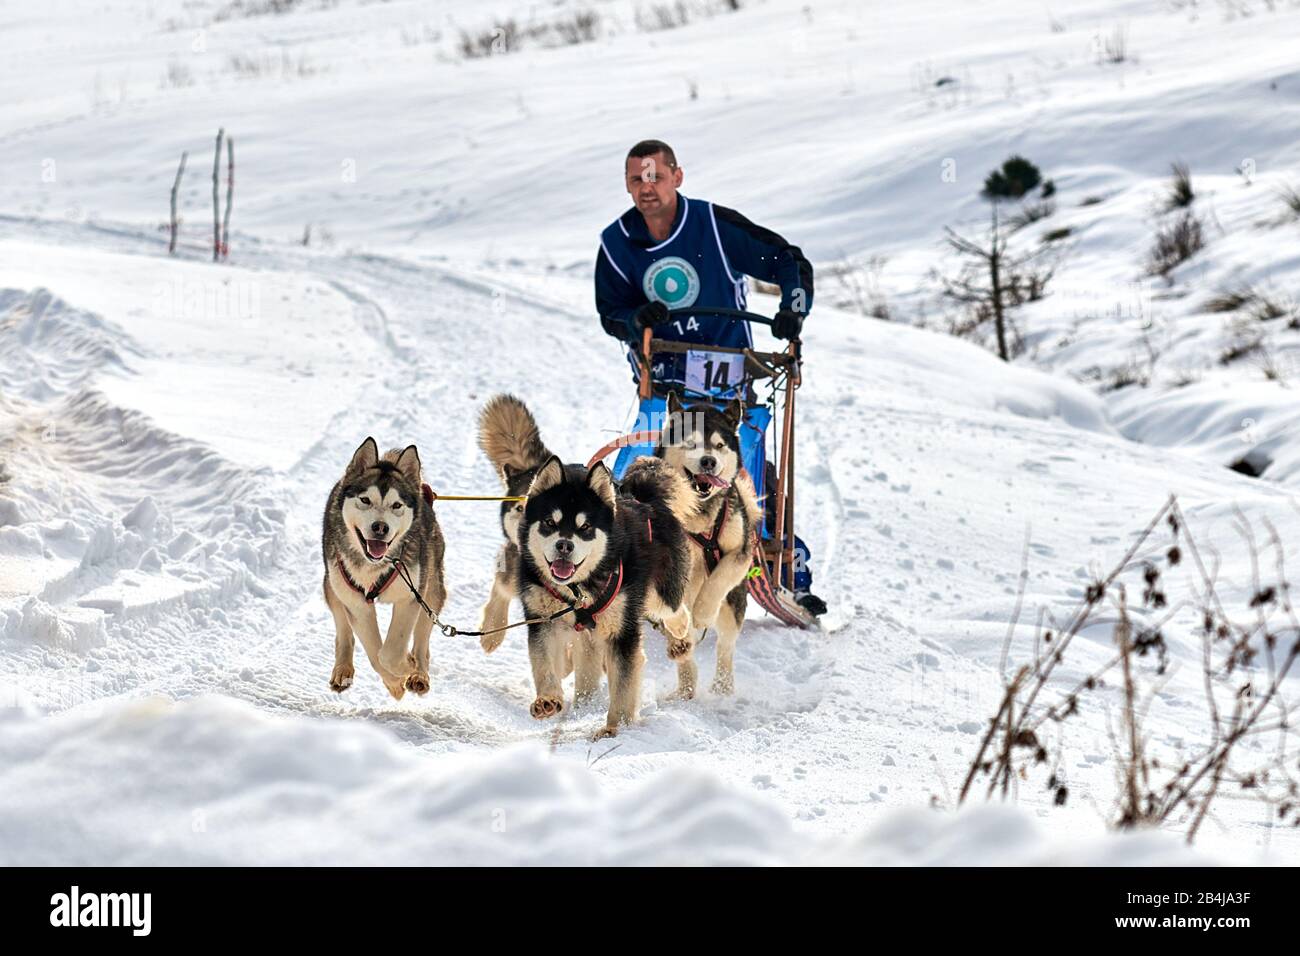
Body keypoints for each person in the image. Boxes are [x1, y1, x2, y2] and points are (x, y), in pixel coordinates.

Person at [594, 139, 827, 617]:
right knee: (649, 471)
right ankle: (611, 557)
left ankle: (777, 562)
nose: (647, 187)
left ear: (677, 177)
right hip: (669, 387)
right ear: (627, 184)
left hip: (729, 384)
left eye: (656, 175)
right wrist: (636, 317)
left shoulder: (714, 227)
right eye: (637, 178)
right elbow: (610, 312)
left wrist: (791, 310)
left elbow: (788, 261)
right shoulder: (617, 244)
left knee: (745, 472)